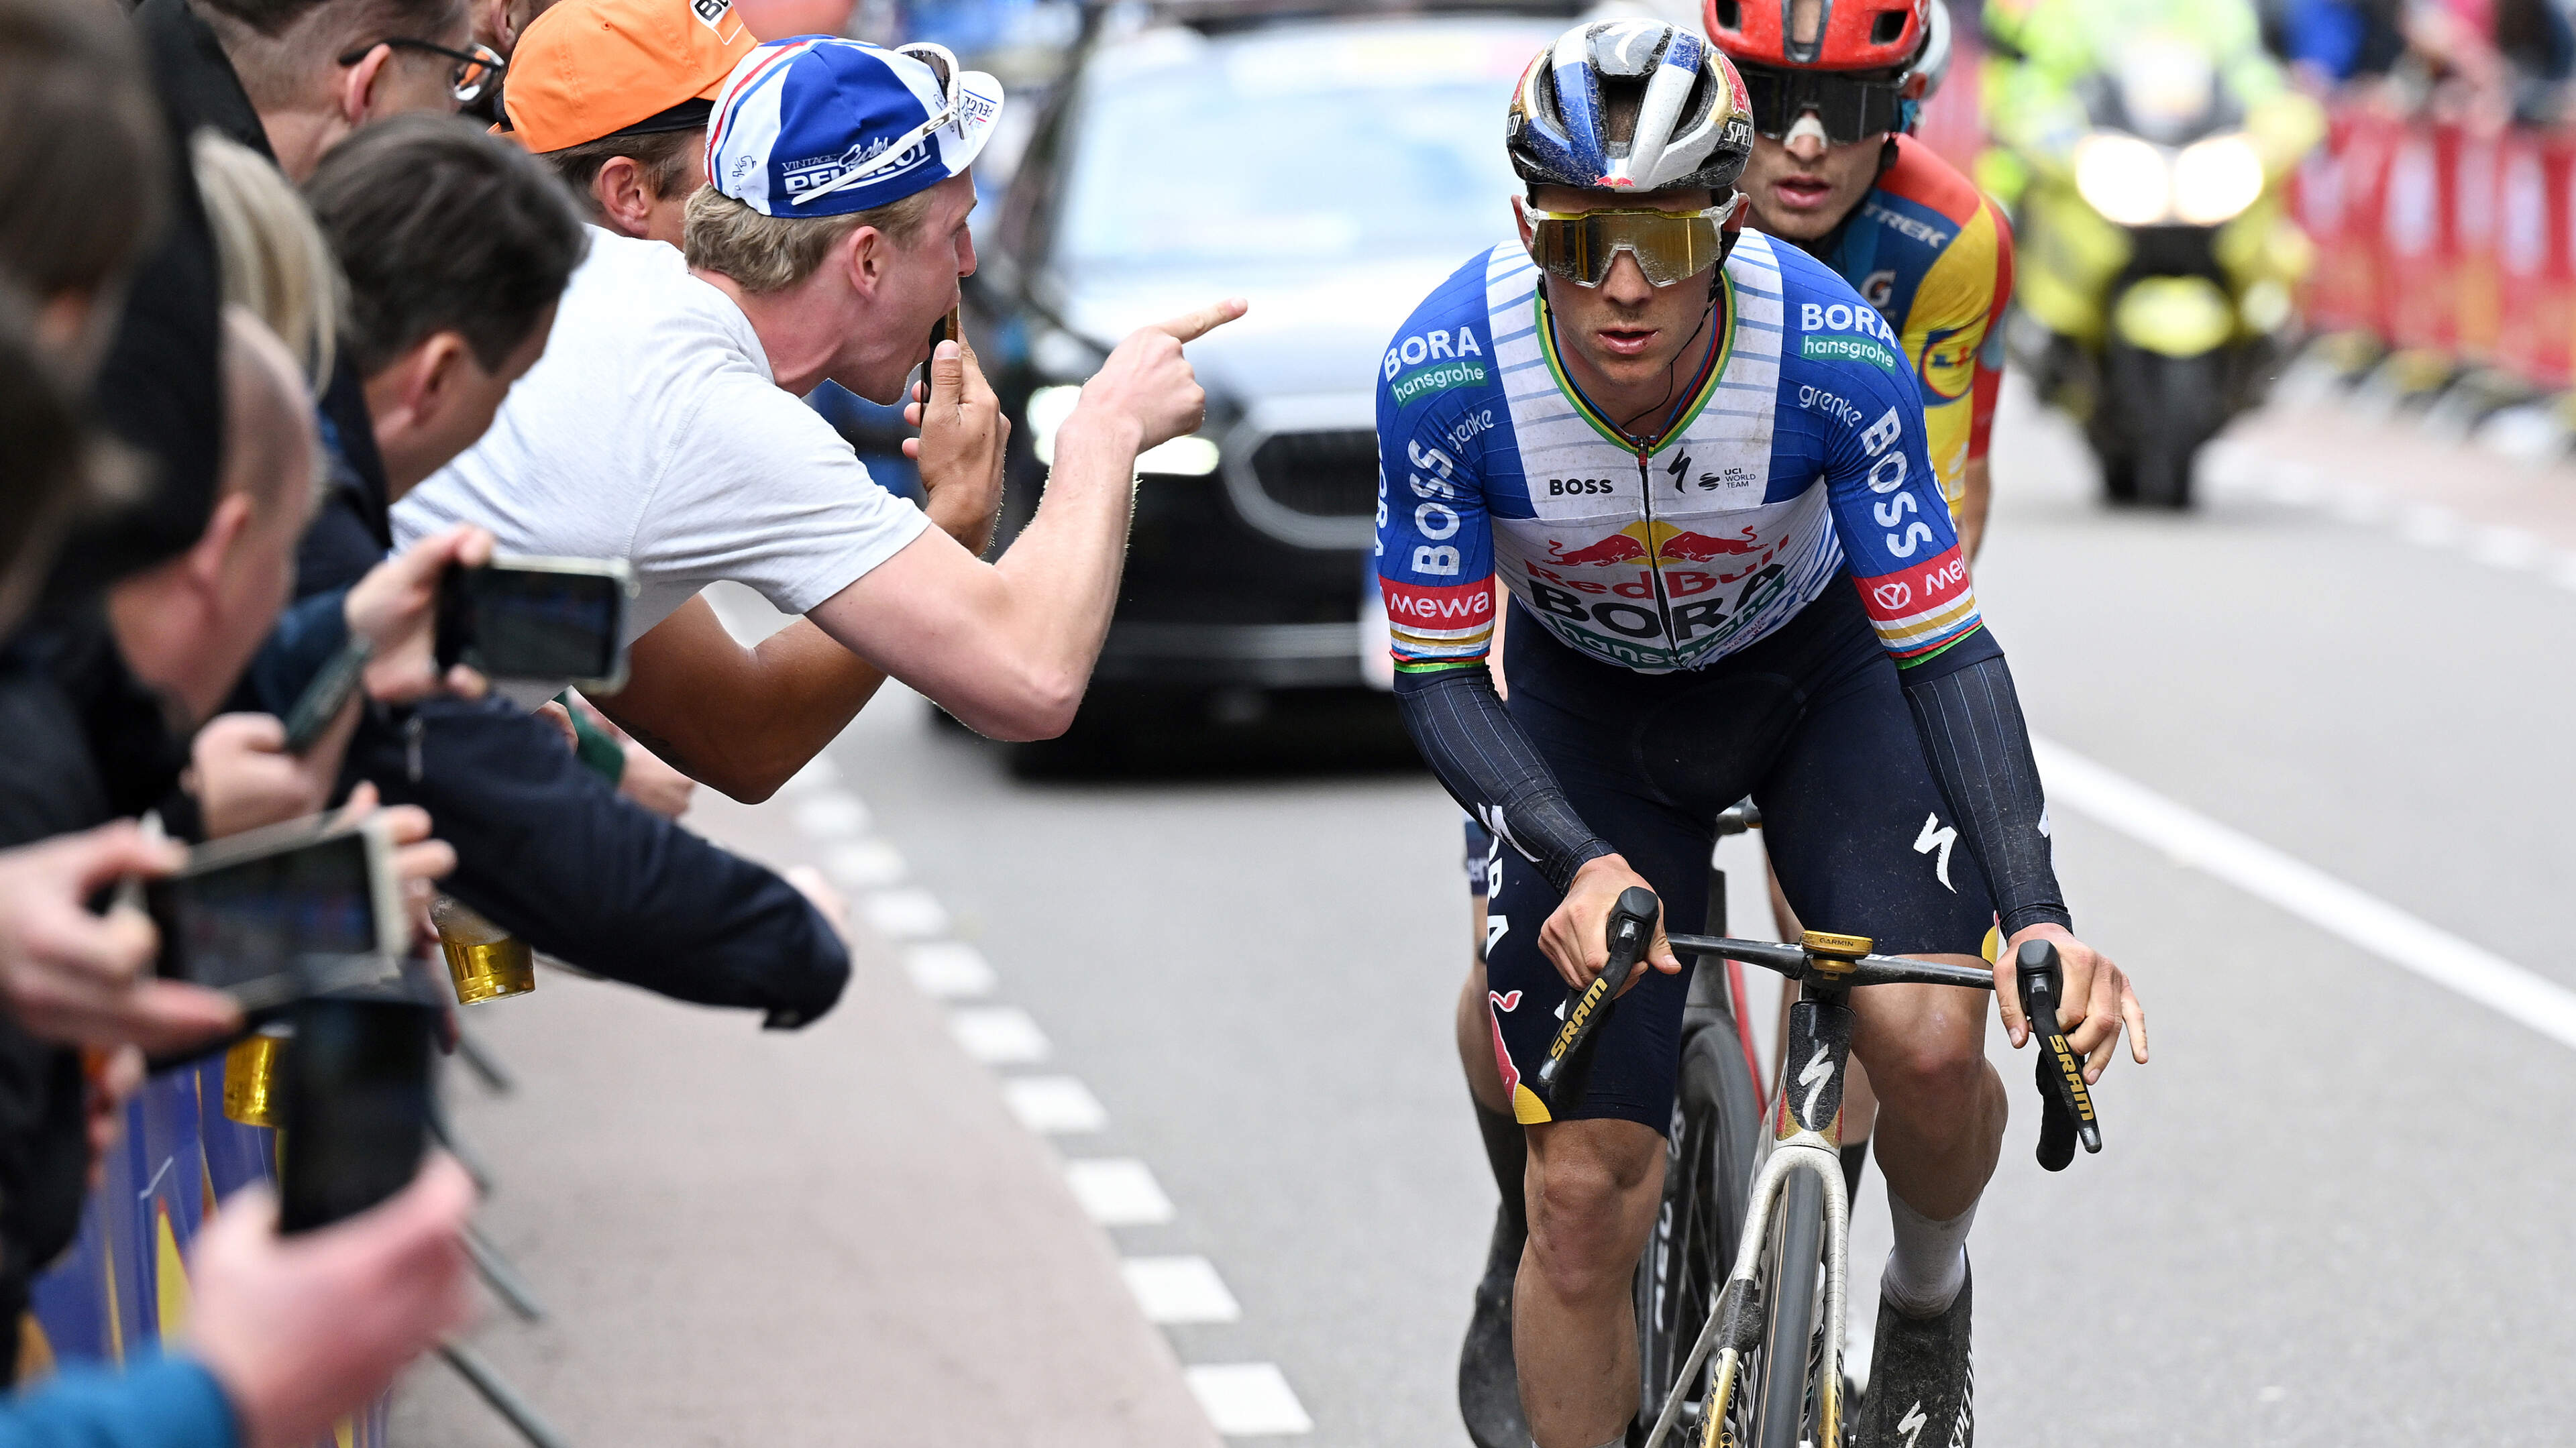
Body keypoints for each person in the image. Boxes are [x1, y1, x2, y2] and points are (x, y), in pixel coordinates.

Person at [1377, 21, 2147, 1448]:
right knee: (1582, 1200)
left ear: (1725, 221)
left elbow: (1943, 642)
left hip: (1814, 684)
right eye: (1578, 237)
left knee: (1923, 1040)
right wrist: (1573, 852)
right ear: (1523, 223)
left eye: (1666, 240)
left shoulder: (1832, 350)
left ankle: (1925, 1305)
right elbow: (1436, 676)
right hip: (1587, 716)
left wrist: (2036, 910)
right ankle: (1543, 1259)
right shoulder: (1445, 369)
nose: (1621, 286)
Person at [397, 34, 1242, 797]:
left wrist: (948, 522)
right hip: (290, 760)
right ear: (866, 259)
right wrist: (1104, 431)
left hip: (308, 708)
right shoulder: (714, 415)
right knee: (786, 953)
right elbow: (1031, 681)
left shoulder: (610, 294)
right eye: (953, 232)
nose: (970, 265)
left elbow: (740, 733)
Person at [286, 114, 855, 1021]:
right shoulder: (293, 514)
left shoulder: (302, 486)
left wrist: (525, 729)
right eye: (509, 392)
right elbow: (535, 830)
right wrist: (796, 938)